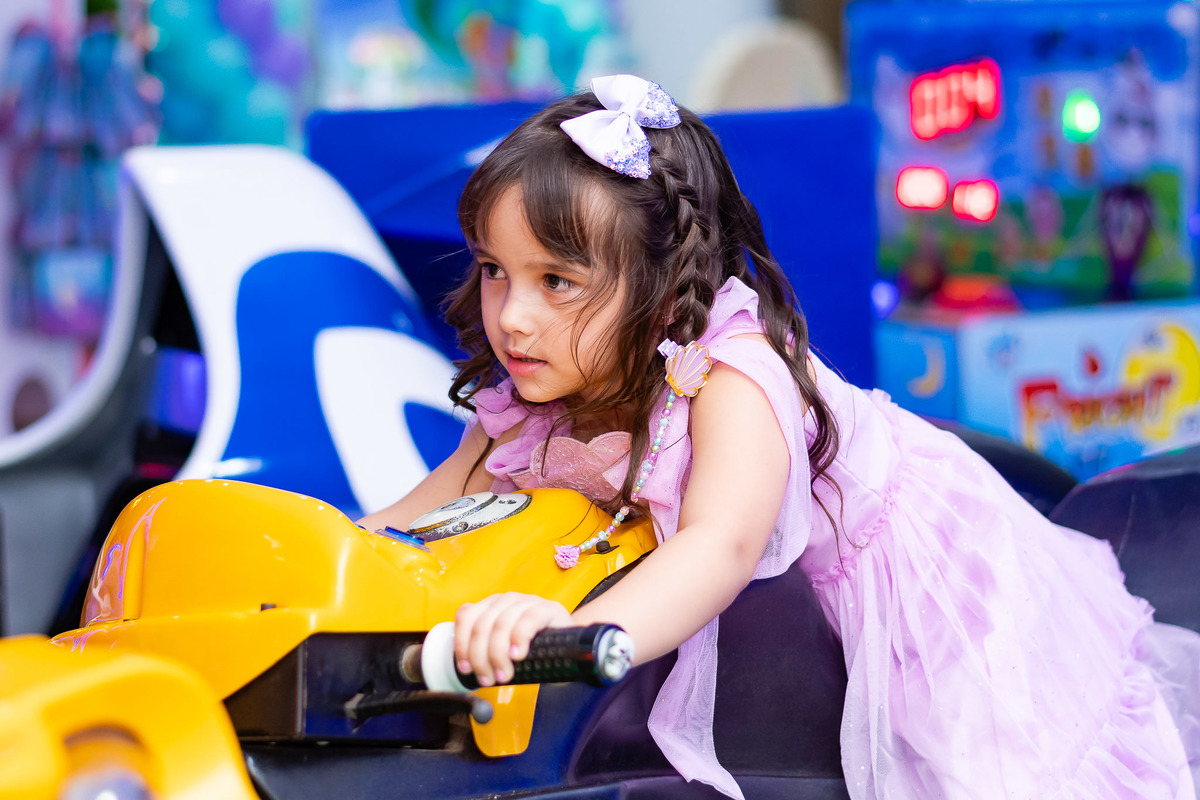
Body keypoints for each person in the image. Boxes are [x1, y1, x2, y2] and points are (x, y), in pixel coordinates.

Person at [358, 75, 1200, 800]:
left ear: (657, 290)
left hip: (915, 573)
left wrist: (569, 634)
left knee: (981, 764)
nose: (512, 315)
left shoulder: (729, 377)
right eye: (494, 269)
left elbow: (717, 548)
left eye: (557, 281)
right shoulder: (534, 394)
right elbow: (402, 524)